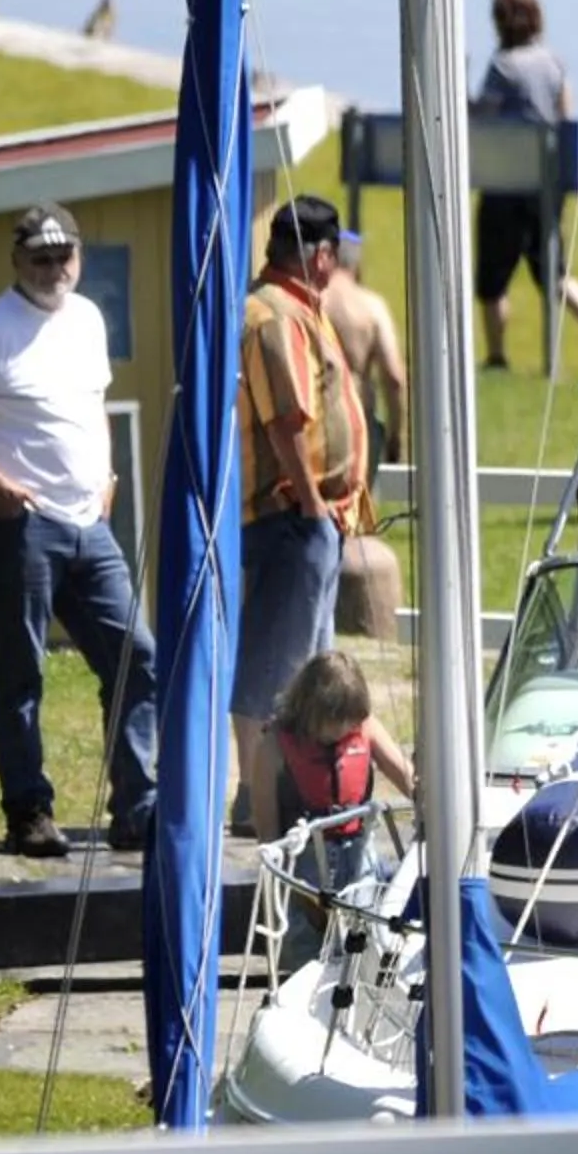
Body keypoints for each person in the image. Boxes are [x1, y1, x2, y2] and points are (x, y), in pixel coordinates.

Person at [0, 204, 158, 858]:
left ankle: (139, 807)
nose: (54, 269)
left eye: (64, 256)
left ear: (79, 257)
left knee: (138, 657)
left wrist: (107, 474)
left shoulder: (87, 318)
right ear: (17, 261)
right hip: (20, 526)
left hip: (88, 521)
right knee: (22, 670)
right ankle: (29, 813)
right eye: (41, 258)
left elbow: (94, 403)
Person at [235, 198, 372, 842]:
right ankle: (254, 793)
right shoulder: (271, 313)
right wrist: (316, 504)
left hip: (310, 518)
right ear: (319, 256)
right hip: (291, 516)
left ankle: (301, 785)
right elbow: (285, 416)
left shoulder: (295, 307)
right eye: (333, 254)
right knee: (277, 665)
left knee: (307, 665)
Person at [471, 0, 578, 368]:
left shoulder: (502, 66)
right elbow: (566, 117)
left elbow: (482, 117)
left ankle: (497, 355)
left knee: (492, 278)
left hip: (505, 186)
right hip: (545, 188)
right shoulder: (554, 64)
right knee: (555, 273)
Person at [264, 649, 416, 972]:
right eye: (339, 720)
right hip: (304, 876)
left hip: (359, 865)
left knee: (362, 958)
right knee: (302, 963)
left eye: (353, 719)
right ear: (312, 711)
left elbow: (411, 782)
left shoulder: (365, 727)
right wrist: (289, 891)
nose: (348, 728)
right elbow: (268, 838)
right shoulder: (274, 745)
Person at [320, 228, 408, 486]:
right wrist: (395, 437)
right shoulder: (371, 306)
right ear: (356, 263)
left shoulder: (311, 301)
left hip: (314, 420)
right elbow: (394, 378)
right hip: (357, 416)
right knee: (357, 512)